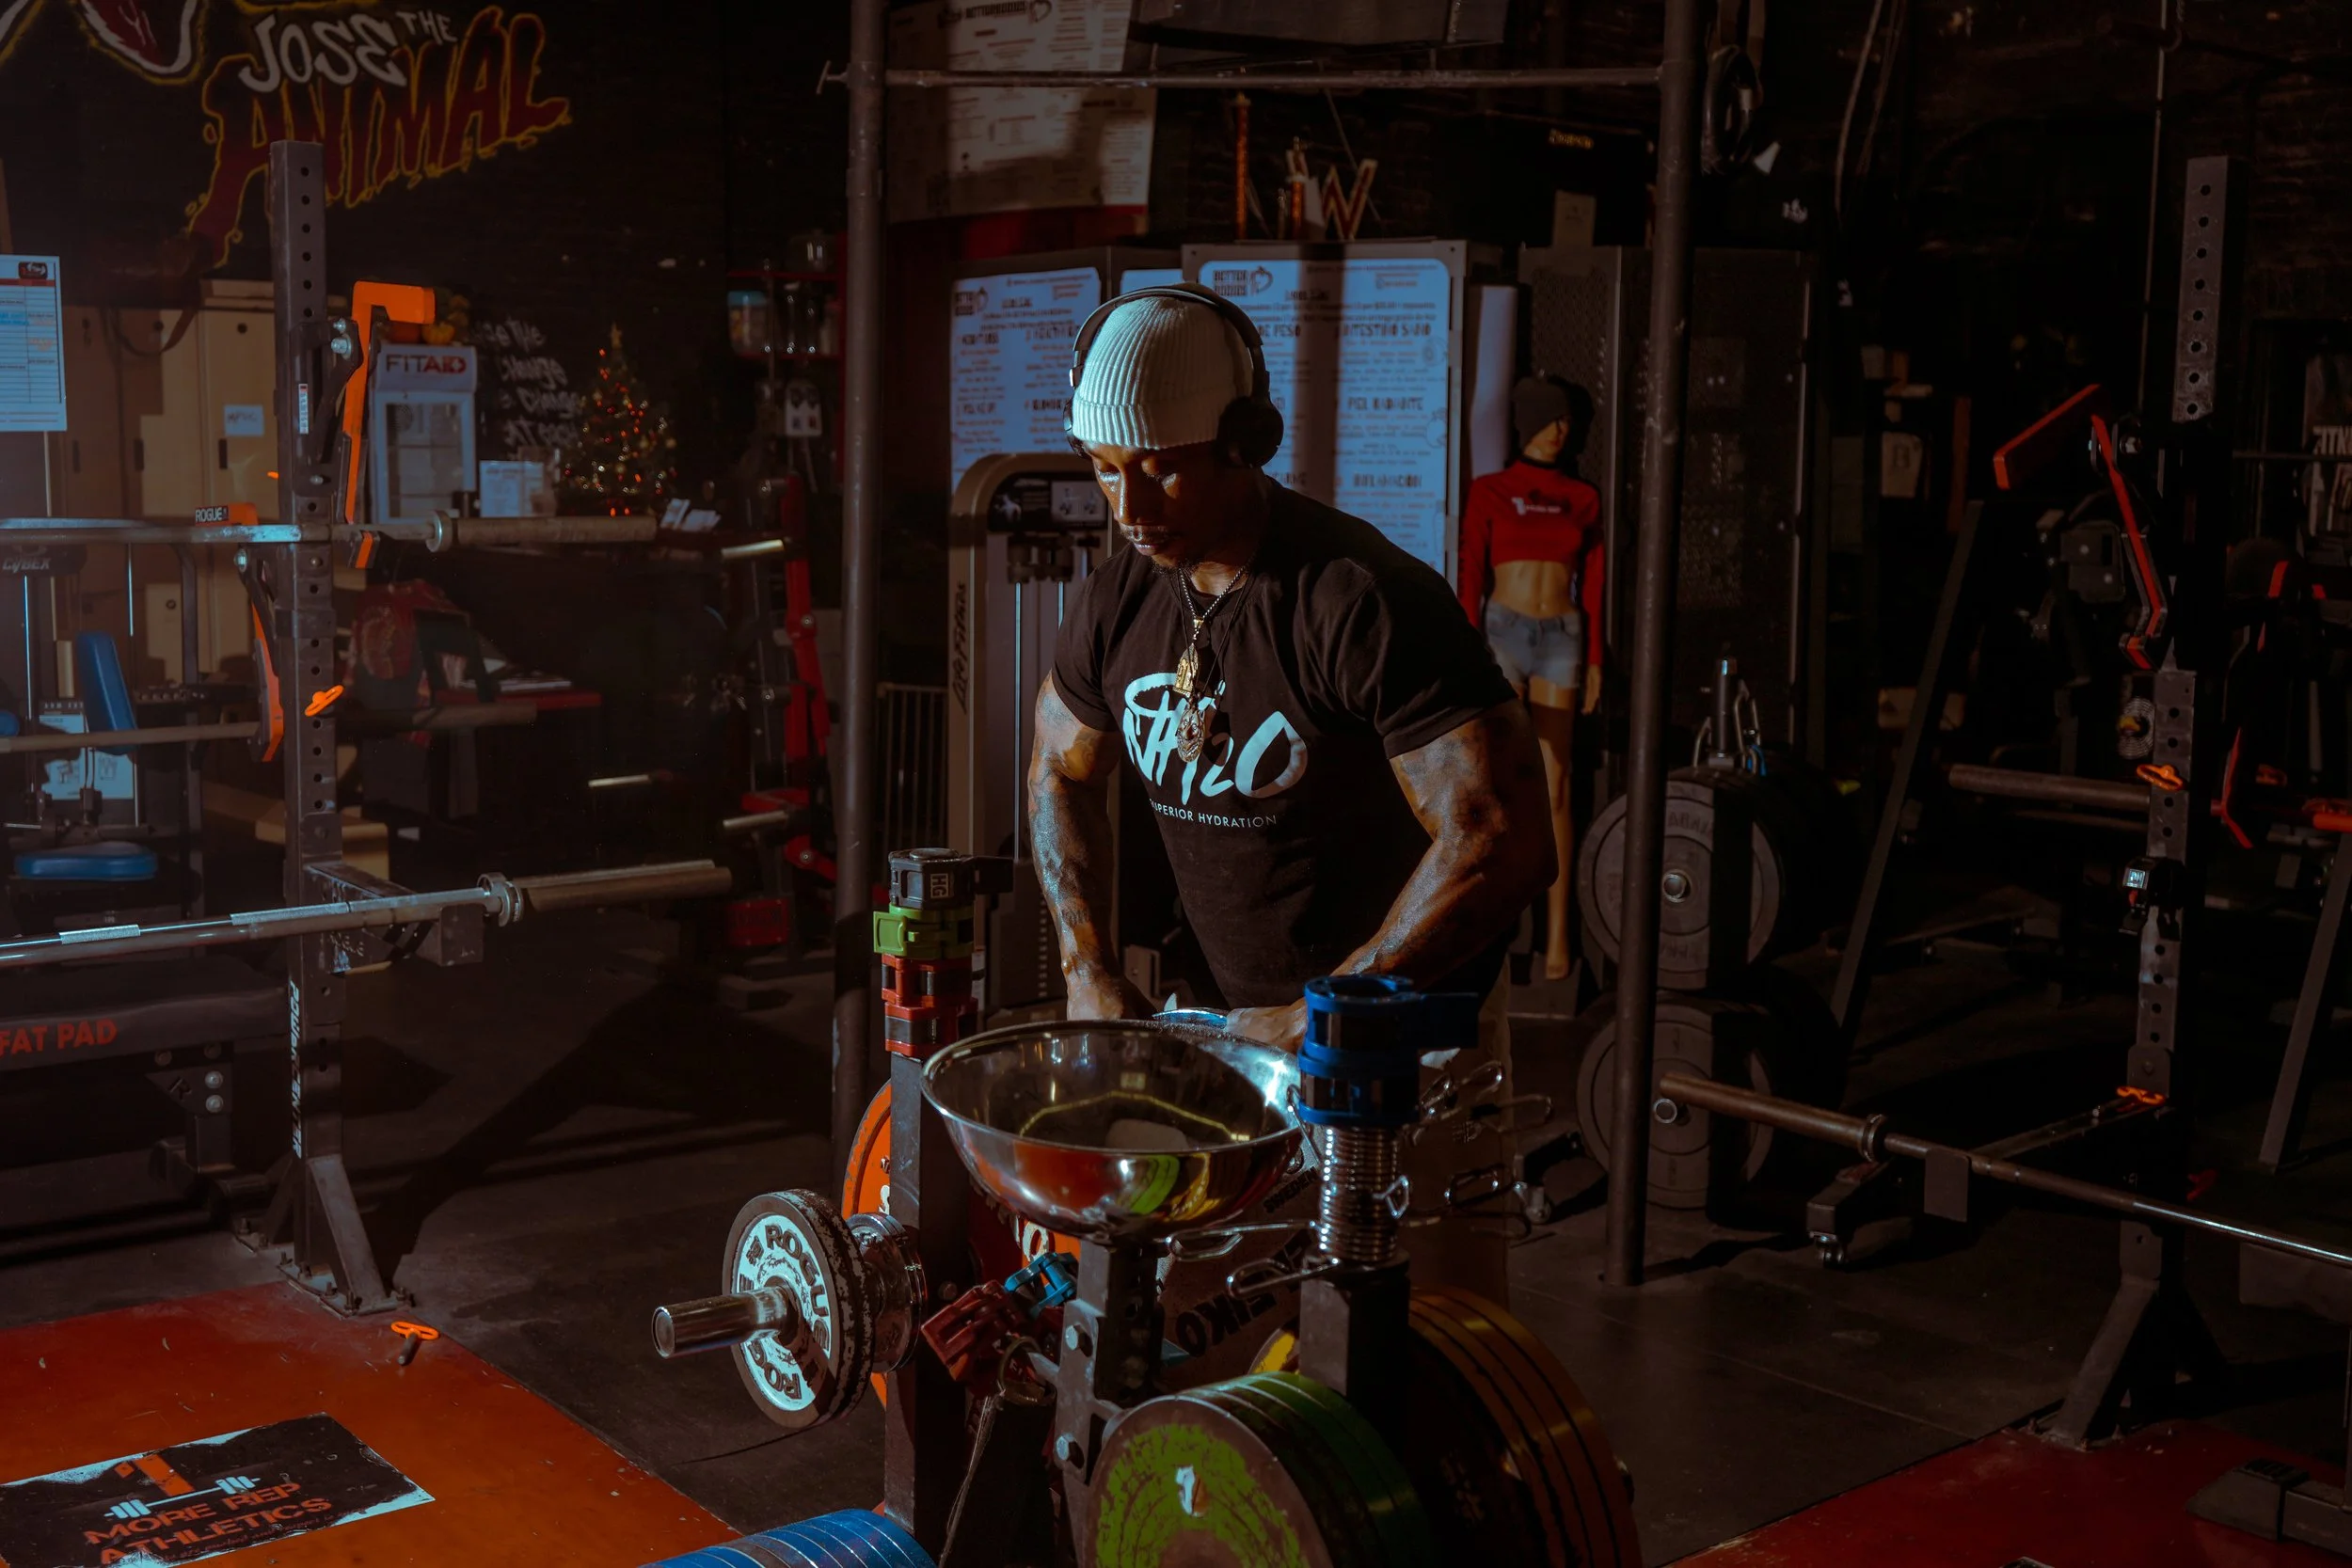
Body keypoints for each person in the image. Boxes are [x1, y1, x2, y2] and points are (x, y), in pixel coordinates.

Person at [1027, 282, 1554, 1048]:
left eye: (1160, 468)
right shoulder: (1118, 599)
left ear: (1244, 443)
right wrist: (1087, 968)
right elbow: (1058, 768)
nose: (1129, 508)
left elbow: (1501, 837)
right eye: (1106, 470)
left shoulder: (1364, 601)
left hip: (1402, 1035)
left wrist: (1322, 1009)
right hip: (1230, 1024)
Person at [1457, 374, 1606, 981]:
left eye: (1567, 421)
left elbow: (1594, 583)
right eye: (1549, 419)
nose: (1559, 431)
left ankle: (1558, 936)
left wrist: (1595, 658)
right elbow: (1471, 570)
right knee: (1499, 782)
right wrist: (1469, 650)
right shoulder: (1491, 491)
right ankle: (1498, 933)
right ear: (1526, 423)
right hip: (1505, 633)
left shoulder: (1583, 497)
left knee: (1558, 783)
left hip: (1562, 637)